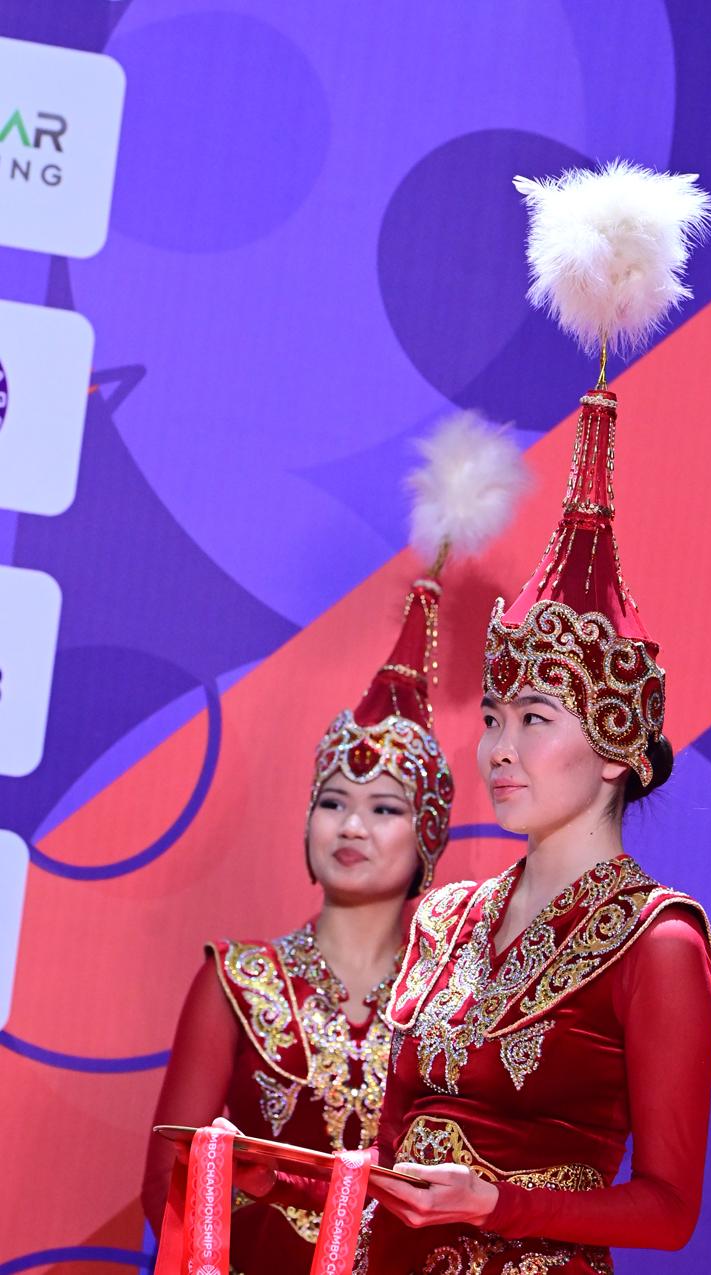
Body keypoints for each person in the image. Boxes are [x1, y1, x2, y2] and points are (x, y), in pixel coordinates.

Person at [347, 164, 711, 1273]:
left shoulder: (659, 944)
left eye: (535, 718)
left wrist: (498, 1203)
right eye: (495, 714)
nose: (498, 747)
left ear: (616, 749)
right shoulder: (444, 916)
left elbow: (669, 1209)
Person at [142, 412, 527, 1274]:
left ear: (428, 837)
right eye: (333, 802)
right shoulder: (238, 984)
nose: (351, 826)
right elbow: (164, 1182)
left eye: (384, 808)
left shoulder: (453, 1010)